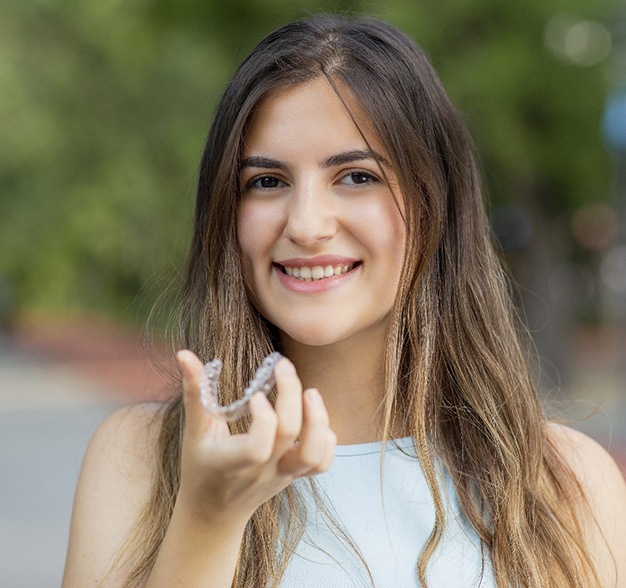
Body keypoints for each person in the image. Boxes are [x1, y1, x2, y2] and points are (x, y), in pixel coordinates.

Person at [62, 14, 626, 588]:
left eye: (356, 177)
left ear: (437, 206)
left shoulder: (566, 484)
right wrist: (208, 519)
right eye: (266, 182)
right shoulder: (136, 459)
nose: (306, 224)